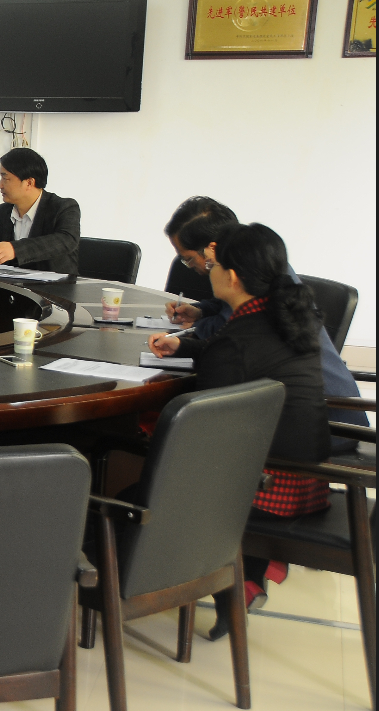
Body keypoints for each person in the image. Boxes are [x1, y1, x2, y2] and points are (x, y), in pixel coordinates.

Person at [148, 223, 330, 639]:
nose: (207, 271)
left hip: (266, 487)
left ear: (231, 277)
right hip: (308, 479)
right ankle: (250, 577)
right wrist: (187, 346)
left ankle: (213, 580)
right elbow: (249, 354)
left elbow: (200, 433)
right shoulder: (287, 315)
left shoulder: (237, 341)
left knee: (148, 469)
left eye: (212, 265)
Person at [162, 197, 367, 447]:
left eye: (193, 260)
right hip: (326, 418)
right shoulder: (265, 271)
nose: (201, 268)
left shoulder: (245, 326)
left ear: (213, 251)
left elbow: (226, 338)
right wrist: (199, 318)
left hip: (324, 424)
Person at [0, 148, 80, 273]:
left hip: (56, 284)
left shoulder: (64, 207)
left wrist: (15, 249)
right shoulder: (3, 211)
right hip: (10, 283)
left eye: (5, 178)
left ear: (29, 183)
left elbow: (66, 240)